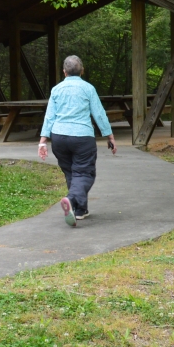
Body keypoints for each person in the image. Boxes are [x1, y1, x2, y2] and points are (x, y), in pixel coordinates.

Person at [37, 55, 117, 226]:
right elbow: (99, 114)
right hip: (82, 137)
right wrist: (109, 135)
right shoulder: (88, 88)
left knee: (72, 173)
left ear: (64, 72)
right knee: (84, 173)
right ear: (82, 71)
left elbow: (49, 116)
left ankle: (80, 211)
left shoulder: (56, 89)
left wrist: (43, 141)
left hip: (59, 137)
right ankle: (71, 200)